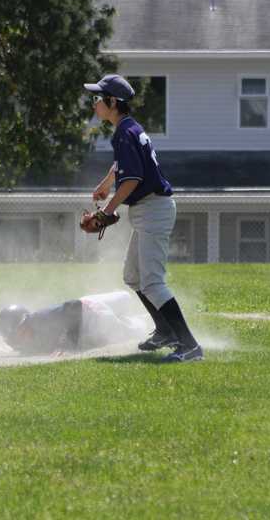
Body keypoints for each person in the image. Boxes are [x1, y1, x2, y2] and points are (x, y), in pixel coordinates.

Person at [83, 74, 203, 362]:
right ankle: (165, 331)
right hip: (150, 209)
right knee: (133, 276)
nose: (94, 103)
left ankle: (190, 346)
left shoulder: (124, 133)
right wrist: (106, 183)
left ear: (113, 102)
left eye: (98, 98)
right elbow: (123, 166)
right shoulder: (129, 128)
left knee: (152, 282)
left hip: (153, 209)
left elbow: (132, 179)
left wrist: (107, 210)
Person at [0, 291, 145, 355]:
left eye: (21, 331)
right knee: (125, 300)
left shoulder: (39, 319)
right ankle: (137, 314)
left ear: (27, 321)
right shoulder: (27, 343)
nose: (21, 338)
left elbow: (74, 306)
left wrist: (68, 345)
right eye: (16, 337)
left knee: (141, 328)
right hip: (91, 304)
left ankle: (149, 319)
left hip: (95, 320)